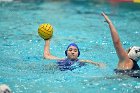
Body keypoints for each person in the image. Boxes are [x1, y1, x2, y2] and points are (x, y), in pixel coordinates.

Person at [102, 12, 140, 78]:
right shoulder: (136, 67)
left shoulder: (126, 60)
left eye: (127, 49)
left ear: (128, 53)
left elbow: (117, 42)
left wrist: (110, 23)